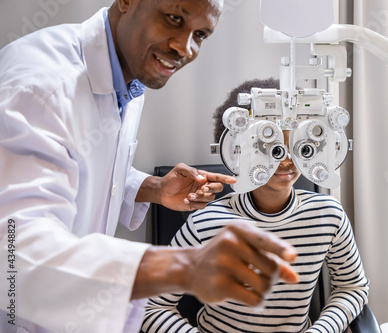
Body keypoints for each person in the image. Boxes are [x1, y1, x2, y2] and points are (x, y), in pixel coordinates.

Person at [0, 2, 299, 333]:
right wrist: (185, 266)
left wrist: (153, 189)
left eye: (200, 34)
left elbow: (70, 162)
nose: (184, 48)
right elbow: (12, 253)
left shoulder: (130, 79)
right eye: (174, 19)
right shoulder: (43, 87)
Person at [142, 78, 370, 333]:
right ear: (238, 150)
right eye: (269, 148)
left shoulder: (328, 215)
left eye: (295, 145)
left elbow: (353, 287)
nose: (285, 160)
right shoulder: (206, 220)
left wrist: (321, 330)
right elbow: (153, 305)